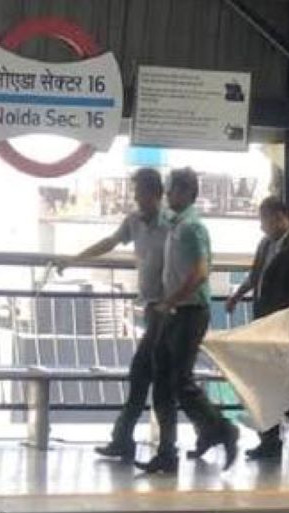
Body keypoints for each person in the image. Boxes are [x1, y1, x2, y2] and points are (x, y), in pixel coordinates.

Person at [136, 167, 239, 474]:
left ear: (186, 193)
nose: (167, 194)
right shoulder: (176, 223)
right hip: (175, 312)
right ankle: (167, 451)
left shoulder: (193, 228)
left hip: (190, 311)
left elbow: (200, 272)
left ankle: (221, 428)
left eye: (172, 189)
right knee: (162, 379)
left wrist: (170, 300)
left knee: (180, 380)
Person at [62, 168, 169, 463]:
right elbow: (110, 242)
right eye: (136, 193)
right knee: (148, 376)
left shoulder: (172, 224)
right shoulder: (134, 221)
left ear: (156, 194)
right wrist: (74, 259)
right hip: (151, 307)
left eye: (141, 193)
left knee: (147, 374)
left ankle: (130, 440)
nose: (137, 199)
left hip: (168, 309)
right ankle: (128, 439)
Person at [225, 196, 289, 460]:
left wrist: (287, 325)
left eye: (264, 220)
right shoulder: (266, 244)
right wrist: (237, 295)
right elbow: (256, 276)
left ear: (279, 217)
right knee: (263, 383)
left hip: (282, 327)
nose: (262, 226)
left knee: (274, 383)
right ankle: (272, 438)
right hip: (263, 322)